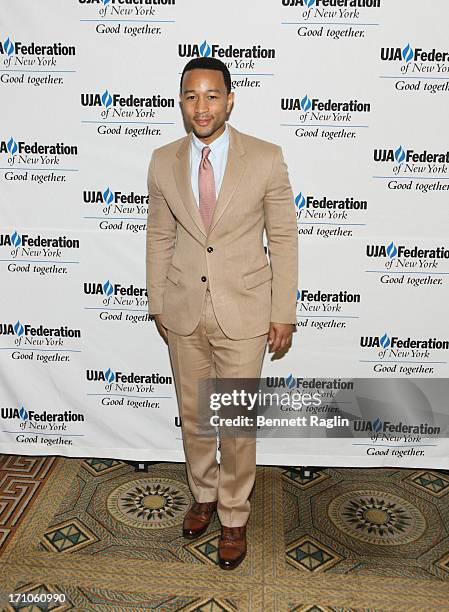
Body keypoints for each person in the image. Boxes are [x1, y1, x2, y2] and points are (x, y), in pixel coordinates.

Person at [146, 57, 298, 570]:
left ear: (230, 99)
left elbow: (283, 238)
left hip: (245, 310)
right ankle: (203, 495)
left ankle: (234, 517)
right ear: (181, 102)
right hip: (184, 308)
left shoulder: (266, 157)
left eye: (212, 95)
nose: (202, 106)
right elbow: (160, 235)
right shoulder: (163, 159)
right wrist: (157, 299)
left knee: (234, 423)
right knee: (194, 416)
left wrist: (283, 310)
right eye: (192, 96)